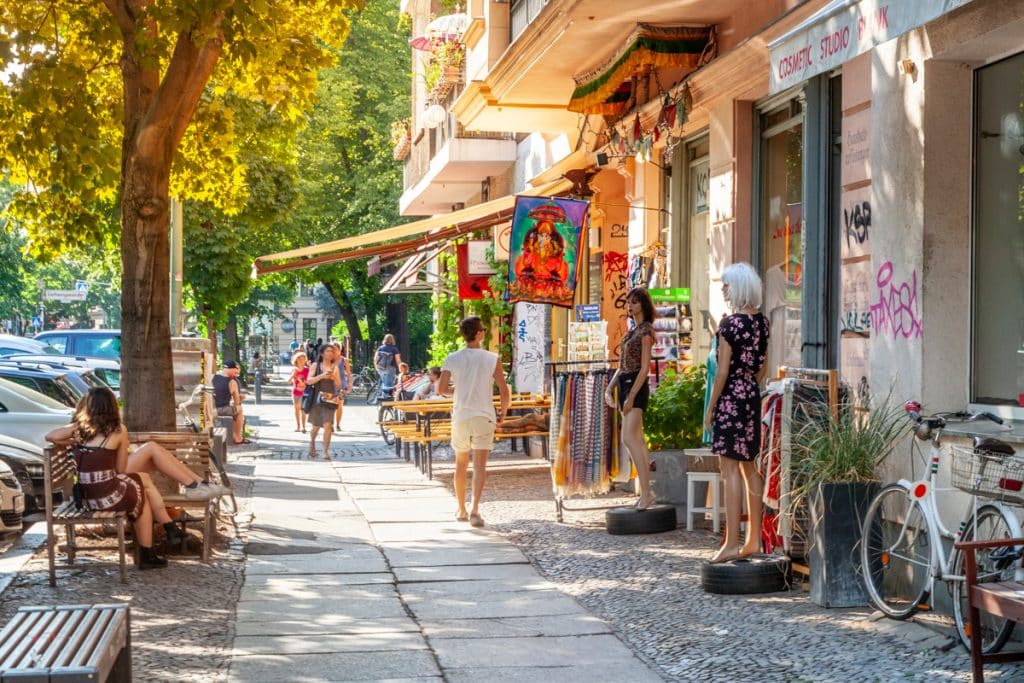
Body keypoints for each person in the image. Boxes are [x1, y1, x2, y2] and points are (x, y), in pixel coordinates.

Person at [44, 388, 228, 570]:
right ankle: (163, 533)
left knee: (144, 481)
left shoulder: (80, 430)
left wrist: (72, 439)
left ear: (88, 407)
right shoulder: (117, 429)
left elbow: (50, 436)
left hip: (87, 497)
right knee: (147, 470)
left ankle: (167, 530)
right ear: (112, 406)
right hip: (107, 496)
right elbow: (121, 469)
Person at [703, 262, 770, 564]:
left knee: (728, 469)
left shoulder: (729, 325)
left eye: (727, 285)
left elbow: (721, 373)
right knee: (749, 467)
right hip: (751, 396)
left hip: (730, 397)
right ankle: (754, 538)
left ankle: (731, 541)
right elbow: (762, 368)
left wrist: (711, 408)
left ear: (738, 288)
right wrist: (748, 388)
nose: (723, 289)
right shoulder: (762, 323)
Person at [438, 316, 511, 528]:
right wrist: (503, 413)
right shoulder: (491, 358)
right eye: (484, 329)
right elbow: (503, 389)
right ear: (478, 334)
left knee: (460, 464)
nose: (485, 332)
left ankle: (460, 508)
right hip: (484, 415)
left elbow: (441, 390)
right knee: (480, 466)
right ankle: (475, 510)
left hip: (461, 416)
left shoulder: (452, 358)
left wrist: (460, 391)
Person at [604, 287, 657, 510]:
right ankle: (646, 491)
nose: (630, 306)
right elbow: (622, 364)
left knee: (629, 438)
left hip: (635, 385)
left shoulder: (646, 332)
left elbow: (644, 368)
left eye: (634, 302)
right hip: (626, 383)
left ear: (643, 305)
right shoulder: (633, 331)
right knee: (636, 438)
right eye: (629, 302)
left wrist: (631, 396)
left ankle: (646, 491)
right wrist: (610, 388)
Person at [307, 343, 341, 459]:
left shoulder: (335, 367)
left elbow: (338, 384)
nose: (330, 353)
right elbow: (309, 381)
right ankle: (312, 442)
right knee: (316, 426)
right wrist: (321, 376)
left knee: (328, 424)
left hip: (330, 399)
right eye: (328, 351)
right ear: (322, 353)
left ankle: (325, 452)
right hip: (316, 399)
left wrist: (333, 377)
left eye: (332, 351)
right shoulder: (315, 366)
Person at [213, 360, 249, 445]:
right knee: (239, 409)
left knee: (233, 409)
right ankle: (238, 438)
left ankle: (233, 434)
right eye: (236, 371)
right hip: (220, 409)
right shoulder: (232, 382)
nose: (236, 373)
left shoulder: (213, 377)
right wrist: (241, 398)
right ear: (232, 369)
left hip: (210, 408)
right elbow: (237, 402)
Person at [333, 341, 353, 431]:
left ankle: (337, 424)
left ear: (339, 350)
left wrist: (350, 384)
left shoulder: (344, 360)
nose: (334, 351)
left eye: (336, 349)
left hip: (342, 386)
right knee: (330, 405)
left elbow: (349, 373)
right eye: (332, 349)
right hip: (331, 386)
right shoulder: (329, 360)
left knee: (339, 405)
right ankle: (330, 423)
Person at [288, 351, 309, 433]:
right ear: (296, 360)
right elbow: (289, 381)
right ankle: (298, 426)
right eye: (300, 359)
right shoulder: (294, 370)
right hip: (295, 392)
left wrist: (305, 382)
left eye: (303, 359)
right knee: (297, 409)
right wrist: (293, 376)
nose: (301, 361)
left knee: (303, 409)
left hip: (305, 392)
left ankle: (304, 427)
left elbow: (310, 381)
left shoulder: (307, 370)